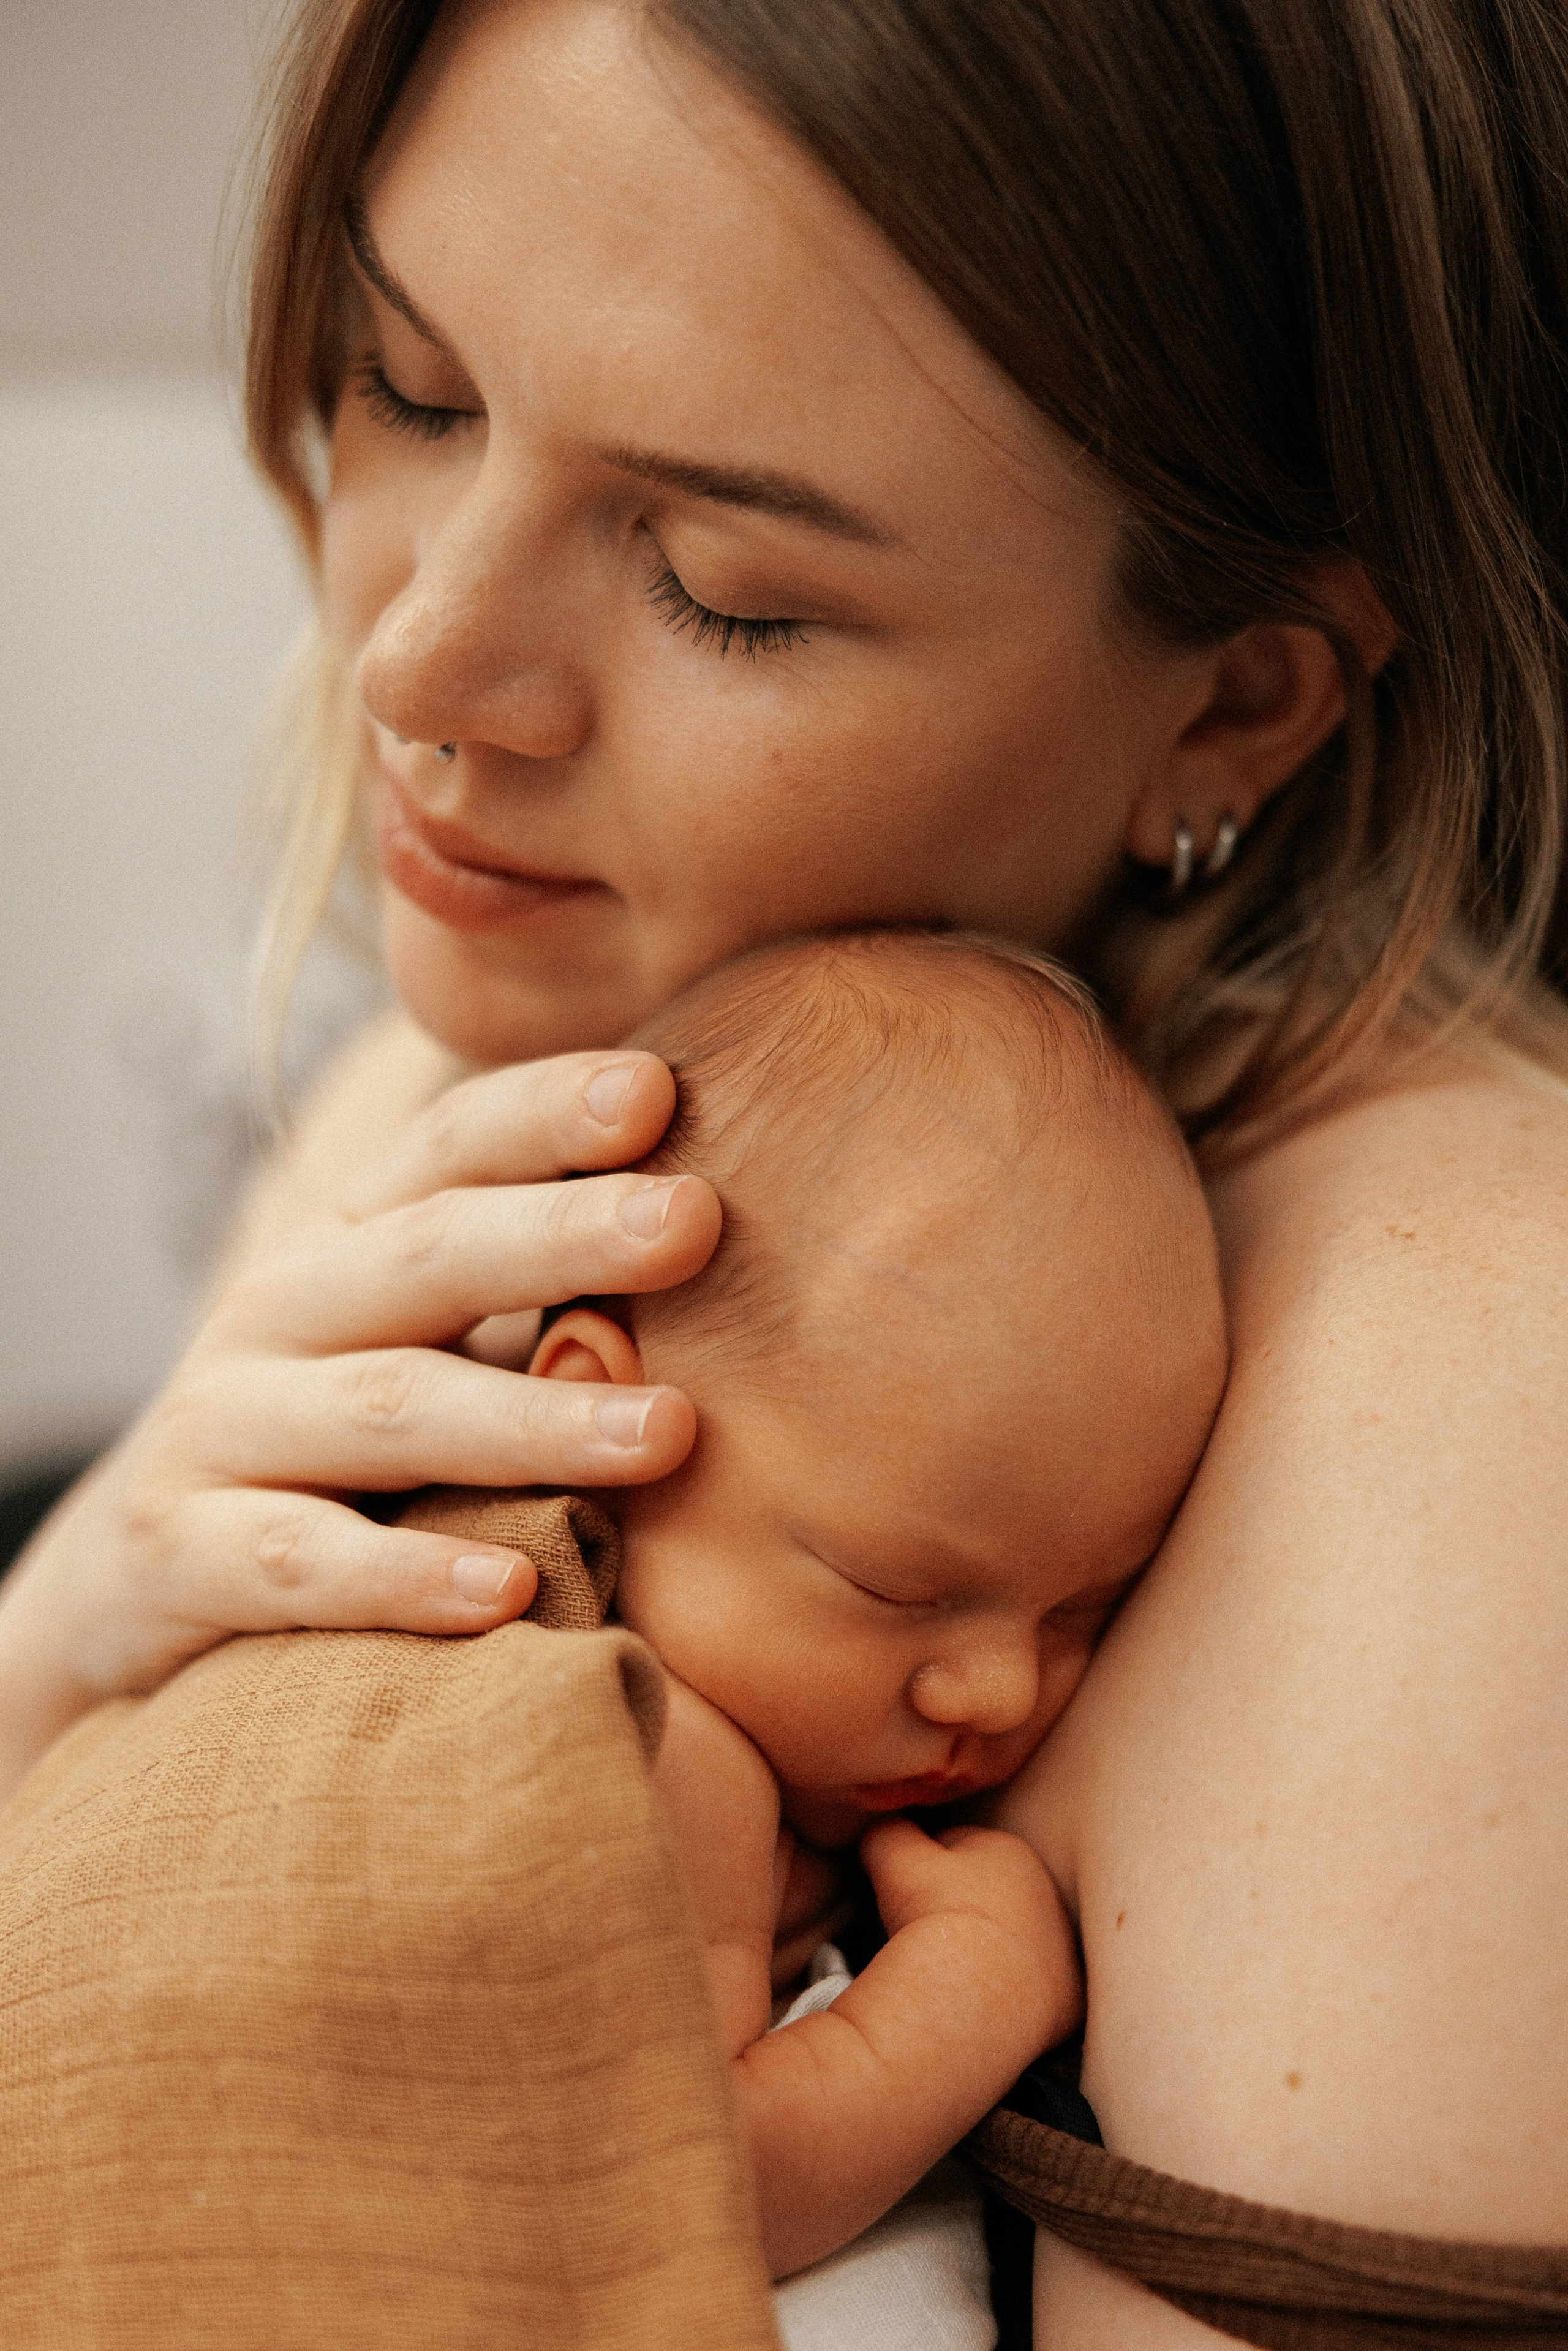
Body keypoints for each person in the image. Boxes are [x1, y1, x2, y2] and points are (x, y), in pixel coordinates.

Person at [1, 0, 1564, 2338]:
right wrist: (53, 1651)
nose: (415, 662)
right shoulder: (490, 1084)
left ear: (1236, 699)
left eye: (726, 579)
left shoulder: (1458, 1407)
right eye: (413, 386)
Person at [509, 927, 1226, 2287]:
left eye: (1086, 1604)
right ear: (600, 1423)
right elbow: (697, 2193)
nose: (1001, 1689)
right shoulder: (658, 1749)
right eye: (900, 1587)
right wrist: (971, 1984)